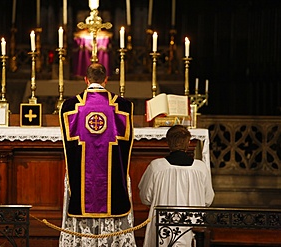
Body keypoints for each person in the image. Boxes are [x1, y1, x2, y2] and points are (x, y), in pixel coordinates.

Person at [59, 63, 136, 246]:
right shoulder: (122, 106)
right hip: (112, 177)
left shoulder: (71, 106)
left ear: (86, 80)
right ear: (106, 80)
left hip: (82, 177)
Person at [138, 125, 215, 247]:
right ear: (189, 142)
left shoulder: (156, 167)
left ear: (168, 142)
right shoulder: (200, 168)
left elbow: (145, 197)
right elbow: (208, 200)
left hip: (163, 230)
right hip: (191, 228)